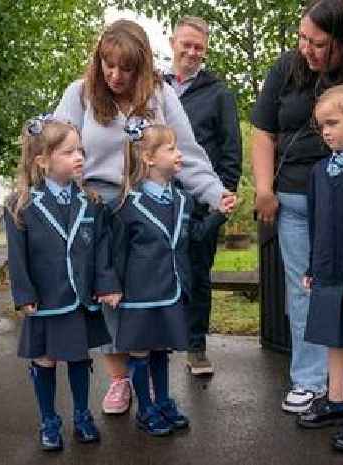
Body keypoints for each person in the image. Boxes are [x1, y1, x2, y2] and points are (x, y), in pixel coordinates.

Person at [53, 19, 234, 415]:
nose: (115, 76)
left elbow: (186, 151)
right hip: (96, 207)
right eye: (107, 64)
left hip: (146, 205)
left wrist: (216, 193)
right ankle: (120, 381)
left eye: (126, 68)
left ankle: (152, 383)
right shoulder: (79, 93)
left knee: (148, 297)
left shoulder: (160, 95)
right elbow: (56, 147)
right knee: (106, 297)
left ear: (144, 66)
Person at [250, 0, 343, 413]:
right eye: (302, 38)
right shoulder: (285, 68)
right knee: (305, 289)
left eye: (318, 43)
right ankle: (309, 381)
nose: (306, 49)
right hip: (294, 197)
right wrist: (263, 188)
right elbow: (262, 131)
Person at [4, 115, 122, 451]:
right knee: (44, 360)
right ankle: (49, 420)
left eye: (81, 151)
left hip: (80, 299)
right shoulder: (21, 205)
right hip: (45, 299)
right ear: (43, 161)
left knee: (79, 357)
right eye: (70, 152)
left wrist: (106, 284)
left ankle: (82, 416)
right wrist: (24, 294)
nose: (80, 158)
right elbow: (18, 255)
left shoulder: (91, 202)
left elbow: (102, 250)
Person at [110, 121, 234, 436]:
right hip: (138, 295)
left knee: (161, 350)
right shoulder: (125, 205)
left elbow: (195, 236)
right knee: (140, 352)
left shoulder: (183, 201)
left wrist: (220, 212)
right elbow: (115, 252)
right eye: (171, 149)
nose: (180, 154)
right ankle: (146, 410)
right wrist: (111, 286)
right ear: (149, 158)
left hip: (171, 290)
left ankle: (163, 401)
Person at [296, 84, 343, 454]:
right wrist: (313, 265)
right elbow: (315, 222)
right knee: (333, 336)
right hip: (327, 269)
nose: (325, 131)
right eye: (320, 125)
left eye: (332, 123)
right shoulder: (319, 170)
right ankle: (336, 399)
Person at [163, 16, 242, 376]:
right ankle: (154, 350)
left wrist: (217, 213)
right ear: (172, 42)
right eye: (187, 44)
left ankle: (196, 348)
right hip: (155, 204)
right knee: (152, 276)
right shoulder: (154, 88)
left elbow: (230, 156)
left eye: (199, 47)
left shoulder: (218, 93)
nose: (193, 52)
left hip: (198, 208)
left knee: (197, 278)